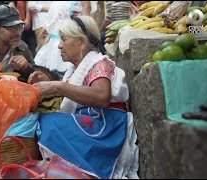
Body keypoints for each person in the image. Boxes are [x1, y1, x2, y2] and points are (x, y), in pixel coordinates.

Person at [29, 15, 138, 179]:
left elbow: (102, 97)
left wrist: (57, 86)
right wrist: (50, 83)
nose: (59, 46)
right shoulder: (74, 71)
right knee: (42, 120)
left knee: (47, 122)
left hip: (106, 128)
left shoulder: (100, 63)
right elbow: (73, 97)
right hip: (93, 124)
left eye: (64, 39)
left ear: (81, 43)